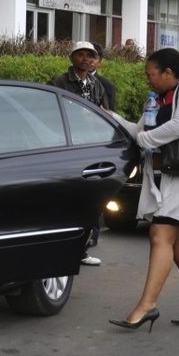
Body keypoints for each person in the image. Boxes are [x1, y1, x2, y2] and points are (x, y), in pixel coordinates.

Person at [108, 48, 179, 332]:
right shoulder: (157, 98)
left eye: (151, 75)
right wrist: (109, 117)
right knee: (177, 240)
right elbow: (138, 132)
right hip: (174, 173)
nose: (147, 80)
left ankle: (147, 306)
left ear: (168, 73)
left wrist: (146, 139)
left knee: (160, 234)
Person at [49, 40, 109, 266]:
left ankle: (82, 248)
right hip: (67, 148)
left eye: (90, 55)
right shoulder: (59, 82)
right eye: (80, 54)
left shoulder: (97, 85)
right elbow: (49, 113)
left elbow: (105, 114)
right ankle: (61, 248)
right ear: (72, 57)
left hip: (91, 148)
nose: (85, 59)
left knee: (90, 199)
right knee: (67, 199)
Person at [90, 42, 117, 111]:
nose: (91, 61)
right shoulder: (66, 81)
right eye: (89, 56)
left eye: (94, 57)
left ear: (100, 61)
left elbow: (110, 112)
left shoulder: (107, 85)